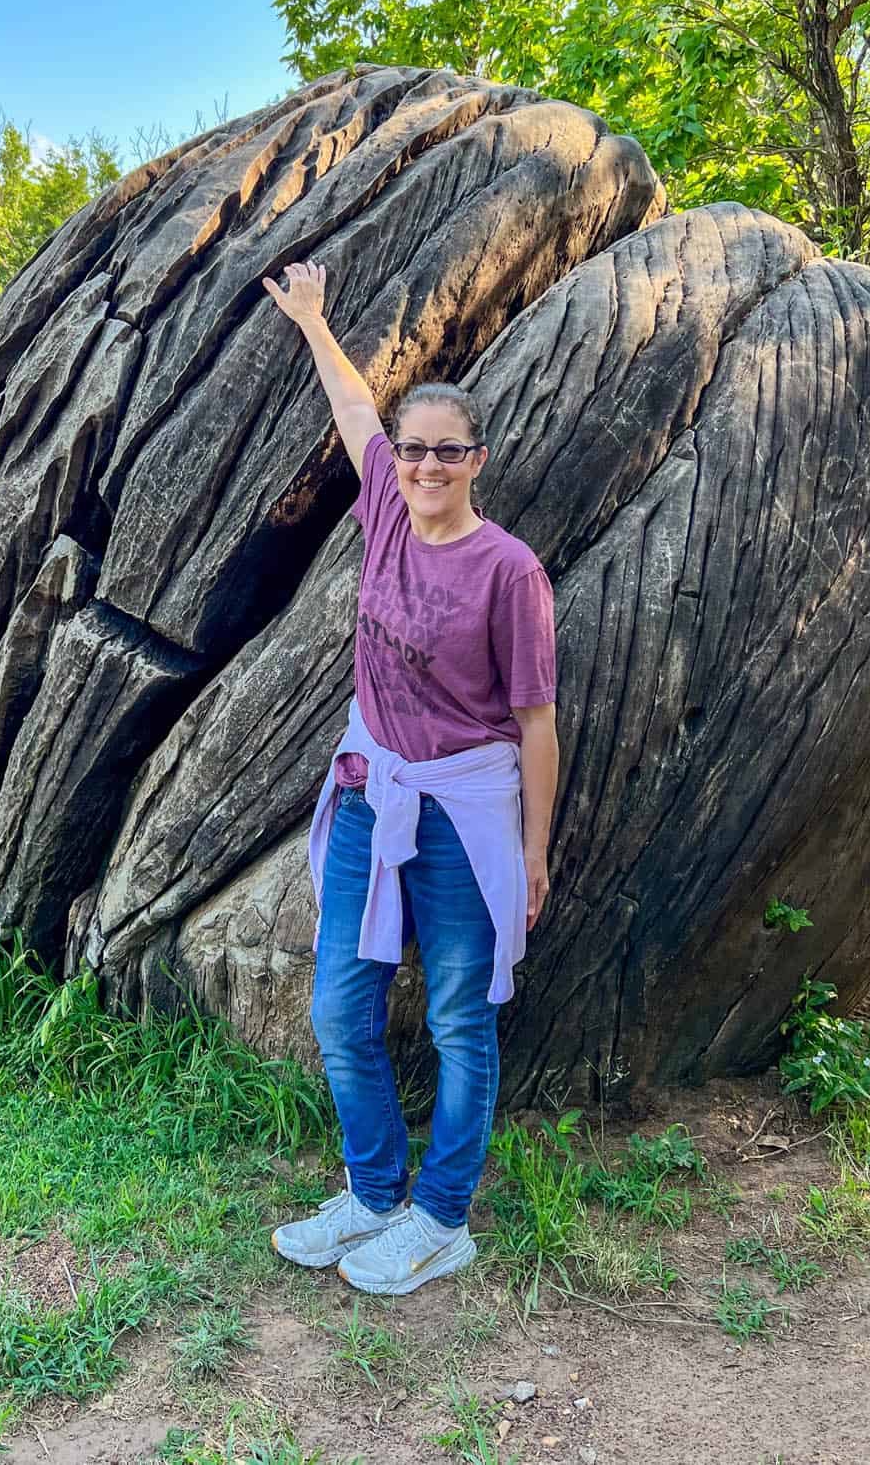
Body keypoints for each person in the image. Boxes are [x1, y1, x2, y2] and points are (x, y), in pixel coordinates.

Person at [258, 257, 559, 1296]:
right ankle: (373, 1191)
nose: (425, 465)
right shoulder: (382, 506)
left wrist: (532, 851)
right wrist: (312, 318)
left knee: (458, 1022)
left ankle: (441, 1217)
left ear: (475, 458)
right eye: (415, 448)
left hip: (465, 818)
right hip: (366, 795)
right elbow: (353, 407)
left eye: (447, 451)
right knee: (342, 1012)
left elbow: (534, 719)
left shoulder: (508, 569)